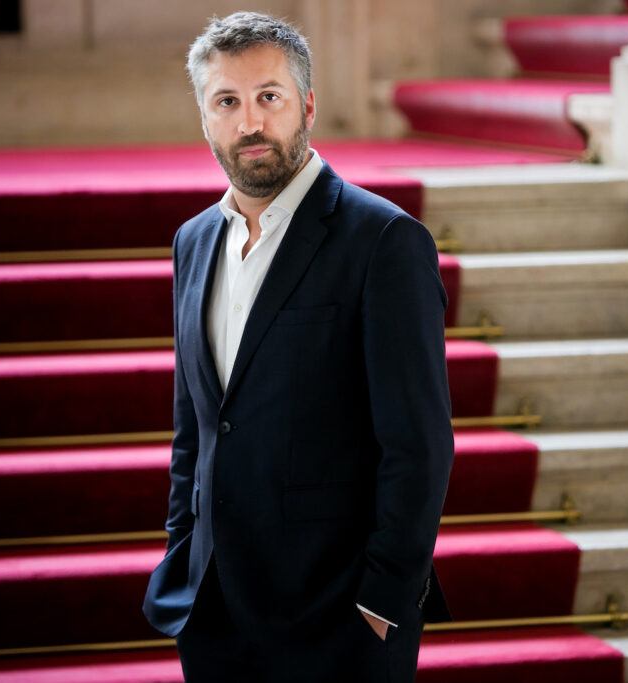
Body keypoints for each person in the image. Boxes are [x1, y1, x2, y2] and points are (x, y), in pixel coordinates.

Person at [141, 11, 454, 682]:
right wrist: (183, 557)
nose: (249, 122)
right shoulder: (192, 241)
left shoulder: (384, 243)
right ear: (205, 116)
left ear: (307, 104)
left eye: (269, 97)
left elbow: (419, 444)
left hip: (338, 622)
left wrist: (381, 601)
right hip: (215, 616)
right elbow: (194, 429)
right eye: (227, 101)